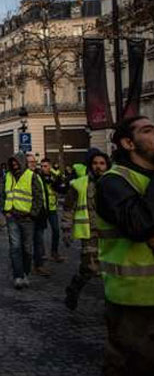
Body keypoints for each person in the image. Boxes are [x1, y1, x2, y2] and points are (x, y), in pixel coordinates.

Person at [95, 116, 154, 376]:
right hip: (134, 300)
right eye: (148, 131)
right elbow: (140, 226)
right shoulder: (113, 182)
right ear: (128, 143)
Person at [63, 150, 110, 310]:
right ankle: (74, 289)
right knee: (90, 268)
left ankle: (112, 304)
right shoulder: (79, 184)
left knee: (110, 269)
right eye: (95, 163)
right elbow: (68, 207)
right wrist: (66, 228)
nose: (98, 167)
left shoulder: (114, 183)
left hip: (111, 234)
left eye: (102, 163)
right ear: (90, 165)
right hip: (89, 232)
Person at [3, 152, 47, 289]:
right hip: (12, 217)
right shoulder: (7, 176)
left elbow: (38, 197)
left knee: (27, 248)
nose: (14, 165)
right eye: (12, 162)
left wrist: (32, 214)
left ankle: (25, 273)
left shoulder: (31, 176)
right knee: (15, 247)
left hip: (27, 218)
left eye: (16, 162)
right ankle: (18, 276)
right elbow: (2, 195)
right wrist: (5, 211)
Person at [38, 158, 65, 263]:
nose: (43, 168)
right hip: (42, 208)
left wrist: (56, 183)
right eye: (41, 166)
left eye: (45, 166)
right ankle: (41, 253)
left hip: (52, 207)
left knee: (56, 230)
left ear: (49, 166)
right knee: (40, 232)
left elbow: (61, 187)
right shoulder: (38, 176)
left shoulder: (55, 176)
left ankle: (54, 252)